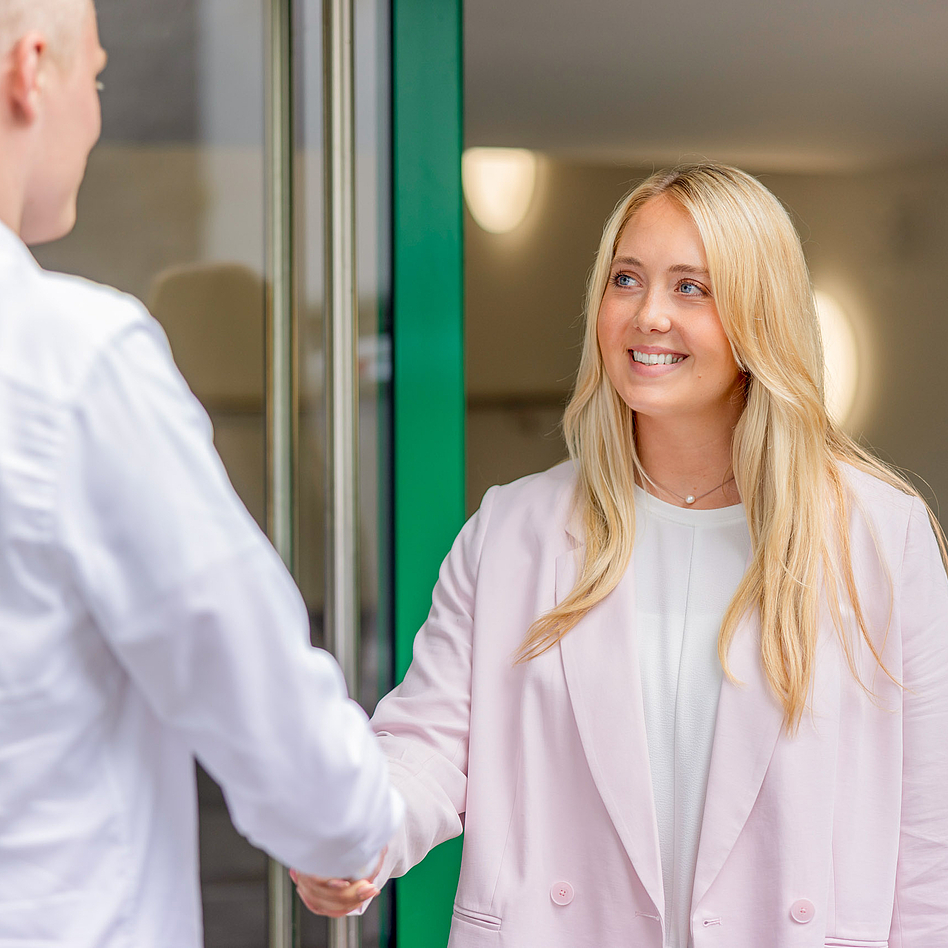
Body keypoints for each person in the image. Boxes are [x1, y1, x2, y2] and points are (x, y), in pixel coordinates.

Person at [294, 162, 948, 946]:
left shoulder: (879, 537)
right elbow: (428, 745)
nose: (648, 316)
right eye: (626, 280)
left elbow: (928, 838)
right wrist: (355, 832)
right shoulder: (514, 530)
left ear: (760, 317)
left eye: (691, 288)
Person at [0, 2, 400, 945]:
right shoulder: (73, 363)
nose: (94, 117)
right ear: (30, 71)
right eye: (93, 81)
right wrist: (352, 820)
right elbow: (251, 683)